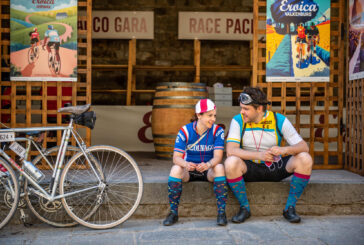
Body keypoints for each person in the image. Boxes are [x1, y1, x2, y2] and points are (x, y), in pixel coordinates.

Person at [224, 87, 313, 223]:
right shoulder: (238, 120)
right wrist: (259, 155)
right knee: (230, 162)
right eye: (241, 108)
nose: (242, 112)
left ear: (259, 108)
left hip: (274, 167)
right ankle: (244, 208)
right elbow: (231, 150)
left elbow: (303, 147)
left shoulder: (278, 119)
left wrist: (284, 150)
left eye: (246, 109)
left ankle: (289, 208)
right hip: (250, 169)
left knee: (305, 159)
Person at [163, 99, 228, 226]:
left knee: (219, 167)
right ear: (199, 115)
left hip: (208, 170)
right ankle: (173, 213)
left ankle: (221, 213)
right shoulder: (185, 131)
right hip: (189, 170)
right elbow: (176, 158)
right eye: (209, 115)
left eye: (214, 115)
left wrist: (208, 164)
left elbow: (218, 157)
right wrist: (186, 164)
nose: (213, 119)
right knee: (176, 169)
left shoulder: (217, 131)